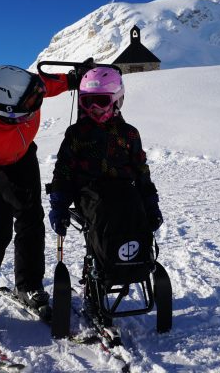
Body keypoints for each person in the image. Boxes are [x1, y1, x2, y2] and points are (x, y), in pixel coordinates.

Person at [0, 62, 92, 335]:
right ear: (6, 114)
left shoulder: (22, 88)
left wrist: (72, 80)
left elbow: (45, 85)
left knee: (31, 217)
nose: (36, 109)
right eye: (28, 111)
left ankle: (29, 286)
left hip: (21, 157)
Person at [48, 67, 164, 281]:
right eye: (87, 101)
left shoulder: (129, 133)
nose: (94, 108)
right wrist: (59, 205)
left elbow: (141, 171)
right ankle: (103, 264)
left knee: (134, 210)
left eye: (101, 101)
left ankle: (136, 261)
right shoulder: (76, 134)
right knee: (103, 212)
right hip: (88, 192)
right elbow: (63, 170)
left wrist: (150, 204)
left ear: (117, 100)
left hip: (123, 190)